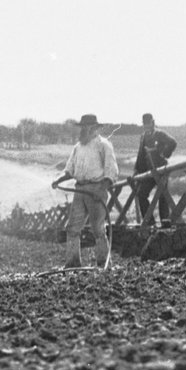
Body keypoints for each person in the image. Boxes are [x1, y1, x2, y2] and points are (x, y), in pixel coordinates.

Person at [53, 112, 118, 269]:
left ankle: (103, 263)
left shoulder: (103, 145)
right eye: (82, 127)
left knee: (98, 229)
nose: (82, 130)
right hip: (80, 190)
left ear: (94, 128)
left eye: (86, 127)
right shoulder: (77, 147)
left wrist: (101, 189)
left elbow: (111, 171)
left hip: (96, 190)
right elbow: (69, 170)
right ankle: (72, 263)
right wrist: (59, 180)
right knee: (73, 228)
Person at [132, 112, 178, 226]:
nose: (147, 126)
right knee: (141, 194)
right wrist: (137, 170)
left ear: (153, 123)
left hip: (161, 170)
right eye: (145, 124)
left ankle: (165, 222)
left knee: (162, 195)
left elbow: (173, 142)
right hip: (149, 172)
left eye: (149, 124)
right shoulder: (143, 137)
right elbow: (140, 155)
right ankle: (149, 221)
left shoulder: (159, 134)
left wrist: (163, 153)